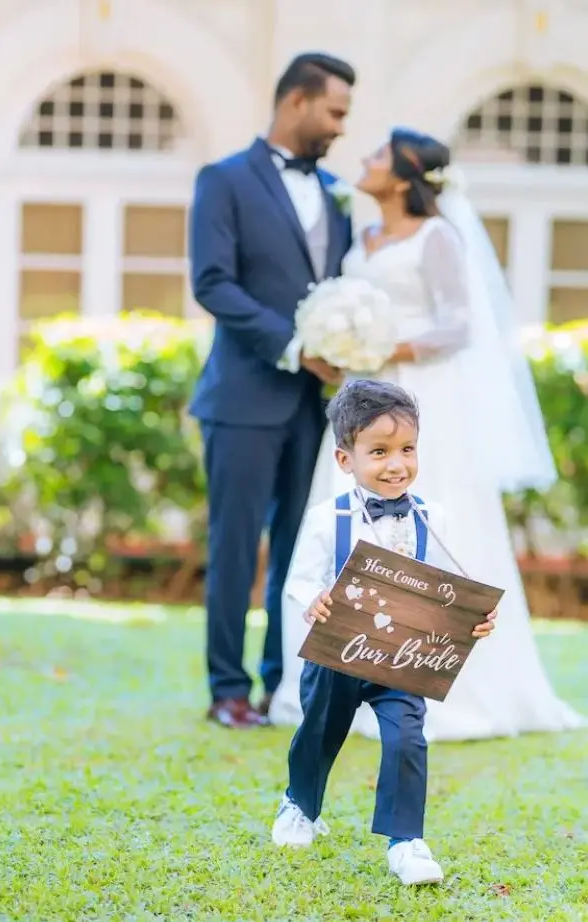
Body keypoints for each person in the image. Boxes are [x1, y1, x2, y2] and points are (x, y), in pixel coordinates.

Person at [270, 127, 586, 740]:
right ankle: (338, 677)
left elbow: (459, 326)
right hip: (362, 399)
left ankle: (434, 679)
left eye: (378, 154)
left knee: (431, 525)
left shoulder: (437, 235)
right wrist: (344, 346)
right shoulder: (363, 237)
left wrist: (382, 347)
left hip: (423, 394)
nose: (366, 159)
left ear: (404, 174)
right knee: (344, 523)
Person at [272, 380, 497, 884]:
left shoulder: (431, 517)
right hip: (337, 653)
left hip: (401, 658)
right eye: (379, 452)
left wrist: (473, 617)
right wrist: (314, 598)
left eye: (407, 449)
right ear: (345, 459)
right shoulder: (327, 518)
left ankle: (405, 840)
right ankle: (300, 805)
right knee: (319, 732)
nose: (397, 464)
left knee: (407, 739)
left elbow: (449, 585)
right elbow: (299, 579)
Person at [189, 53, 356, 728]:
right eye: (334, 111)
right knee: (234, 547)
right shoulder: (223, 179)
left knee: (301, 547)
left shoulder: (340, 191)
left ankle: (283, 683)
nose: (341, 126)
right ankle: (227, 689)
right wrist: (294, 347)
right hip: (242, 398)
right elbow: (212, 281)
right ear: (295, 102)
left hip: (317, 408)